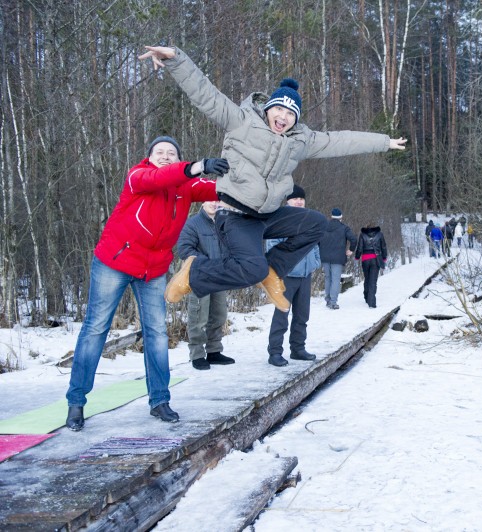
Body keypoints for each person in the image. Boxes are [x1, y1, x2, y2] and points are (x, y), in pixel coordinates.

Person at [138, 46, 407, 312]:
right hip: (235, 215)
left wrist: (384, 142)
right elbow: (206, 95)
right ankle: (194, 272)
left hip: (268, 214)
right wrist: (177, 59)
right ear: (268, 108)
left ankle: (273, 270)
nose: (283, 117)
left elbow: (342, 140)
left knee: (316, 224)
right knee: (250, 269)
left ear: (296, 119)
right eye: (279, 110)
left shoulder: (300, 141)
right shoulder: (240, 121)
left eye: (291, 114)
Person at [65, 137, 227, 431]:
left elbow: (219, 190)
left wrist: (249, 176)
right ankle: (76, 401)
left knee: (157, 333)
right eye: (159, 152)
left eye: (171, 153)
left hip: (152, 270)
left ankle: (160, 400)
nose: (165, 157)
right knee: (96, 328)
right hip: (114, 262)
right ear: (149, 157)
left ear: (178, 158)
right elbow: (159, 178)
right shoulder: (137, 177)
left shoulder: (185, 187)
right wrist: (198, 166)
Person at [265, 185, 320, 366]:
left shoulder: (309, 219)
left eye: (301, 199)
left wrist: (315, 261)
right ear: (287, 200)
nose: (299, 201)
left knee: (302, 315)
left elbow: (315, 242)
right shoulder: (281, 219)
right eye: (295, 198)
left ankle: (297, 348)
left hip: (305, 275)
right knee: (281, 315)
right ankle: (275, 352)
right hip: (286, 275)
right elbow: (272, 245)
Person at [176, 201, 235, 370]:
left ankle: (214, 351)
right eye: (210, 200)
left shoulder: (225, 223)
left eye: (217, 201)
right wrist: (206, 263)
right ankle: (197, 354)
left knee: (219, 315)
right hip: (200, 276)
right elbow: (184, 249)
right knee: (198, 317)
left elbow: (232, 247)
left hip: (219, 277)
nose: (214, 204)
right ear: (202, 202)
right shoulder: (193, 223)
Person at [319, 208, 357, 310]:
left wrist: (320, 251)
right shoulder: (344, 228)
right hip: (338, 257)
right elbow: (353, 239)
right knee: (335, 280)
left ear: (331, 216)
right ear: (341, 217)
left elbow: (317, 239)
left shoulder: (323, 226)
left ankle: (327, 300)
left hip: (325, 257)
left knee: (328, 278)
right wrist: (351, 250)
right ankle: (333, 302)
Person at [354, 223, 388, 308]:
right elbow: (383, 246)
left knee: (367, 278)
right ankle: (371, 302)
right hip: (376, 259)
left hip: (365, 260)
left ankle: (366, 296)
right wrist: (384, 258)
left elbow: (360, 247)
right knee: (373, 280)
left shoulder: (362, 235)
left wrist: (357, 257)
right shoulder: (380, 234)